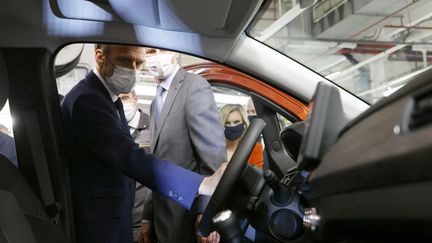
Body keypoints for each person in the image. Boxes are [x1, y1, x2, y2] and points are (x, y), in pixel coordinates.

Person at [60, 44, 226, 243]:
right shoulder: (88, 100)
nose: (132, 69)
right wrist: (202, 184)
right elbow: (130, 157)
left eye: (138, 63)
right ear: (100, 57)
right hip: (100, 225)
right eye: (124, 60)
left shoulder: (108, 100)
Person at [139, 48, 227, 243]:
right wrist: (147, 216)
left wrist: (207, 213)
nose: (155, 56)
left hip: (188, 219)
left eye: (161, 50)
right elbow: (156, 163)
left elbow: (213, 159)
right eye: (150, 51)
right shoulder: (155, 104)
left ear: (175, 53)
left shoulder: (194, 87)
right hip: (162, 221)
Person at [118, 90, 154, 243]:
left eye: (125, 98)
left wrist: (149, 219)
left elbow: (157, 175)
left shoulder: (153, 128)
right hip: (117, 219)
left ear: (135, 99)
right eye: (117, 100)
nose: (121, 104)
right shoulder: (112, 129)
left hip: (142, 221)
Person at [219, 104, 263, 169]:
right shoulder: (215, 149)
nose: (232, 126)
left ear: (244, 123)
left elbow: (255, 177)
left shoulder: (255, 149)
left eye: (236, 122)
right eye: (227, 123)